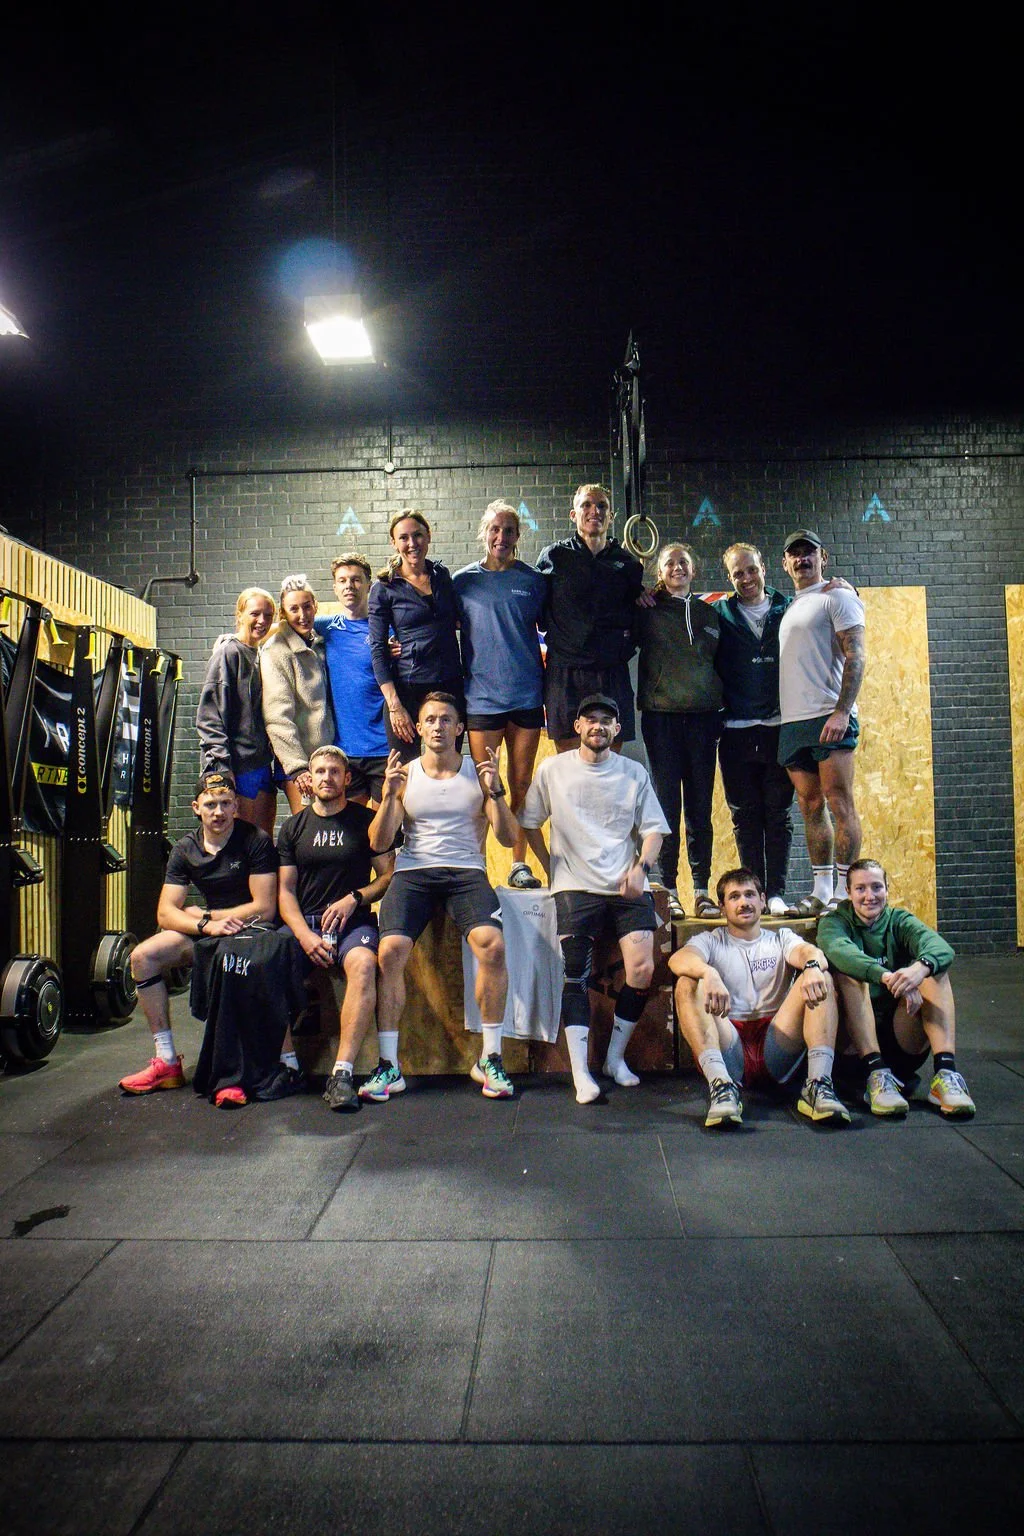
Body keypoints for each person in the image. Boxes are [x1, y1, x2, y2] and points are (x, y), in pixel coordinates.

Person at [365, 692, 519, 1101]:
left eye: (446, 719)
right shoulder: (407, 775)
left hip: (467, 872)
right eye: (430, 719)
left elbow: (507, 838)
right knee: (390, 951)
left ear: (459, 728)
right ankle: (388, 1065)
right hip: (414, 872)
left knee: (493, 946)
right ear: (418, 728)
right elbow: (379, 842)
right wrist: (388, 796)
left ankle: (490, 1058)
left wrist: (497, 792)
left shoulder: (477, 772)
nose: (437, 726)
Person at [519, 693, 669, 1103]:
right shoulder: (552, 770)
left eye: (607, 720)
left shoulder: (633, 772)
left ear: (617, 729)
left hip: (624, 884)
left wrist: (641, 868)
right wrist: (549, 864)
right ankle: (581, 1073)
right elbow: (529, 822)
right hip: (573, 887)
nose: (598, 726)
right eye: (591, 719)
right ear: (578, 727)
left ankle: (614, 1061)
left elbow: (654, 830)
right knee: (575, 975)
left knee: (641, 969)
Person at [119, 770, 280, 1102]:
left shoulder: (256, 841)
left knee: (229, 961)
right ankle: (166, 1061)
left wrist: (206, 917)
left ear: (236, 806)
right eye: (210, 804)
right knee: (142, 957)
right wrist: (205, 926)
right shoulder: (185, 848)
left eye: (225, 804)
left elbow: (264, 908)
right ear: (196, 807)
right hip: (210, 932)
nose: (218, 812)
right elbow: (166, 913)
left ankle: (236, 1069)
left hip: (249, 932)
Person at [669, 866, 851, 1129]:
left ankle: (818, 1085)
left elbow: (811, 953)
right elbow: (678, 960)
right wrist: (707, 972)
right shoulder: (710, 940)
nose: (744, 902)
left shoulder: (780, 938)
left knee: (819, 976)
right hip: (729, 1044)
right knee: (687, 983)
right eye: (734, 897)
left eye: (750, 894)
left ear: (762, 900)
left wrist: (811, 966)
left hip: (776, 1042)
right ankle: (721, 1087)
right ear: (722, 907)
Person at [276, 745, 395, 1112]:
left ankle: (342, 1073)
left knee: (362, 965)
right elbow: (285, 891)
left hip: (352, 922)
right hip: (306, 923)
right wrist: (304, 935)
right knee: (268, 961)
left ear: (346, 778)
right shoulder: (293, 827)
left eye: (334, 771)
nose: (327, 778)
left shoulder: (364, 822)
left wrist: (355, 897)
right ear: (309, 780)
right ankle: (288, 1063)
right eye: (320, 771)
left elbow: (388, 876)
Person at [818, 858, 976, 1118]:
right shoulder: (835, 922)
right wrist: (888, 977)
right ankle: (876, 1074)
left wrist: (919, 969)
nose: (870, 896)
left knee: (933, 973)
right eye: (861, 889)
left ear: (887, 890)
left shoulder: (899, 920)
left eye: (877, 887)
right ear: (848, 893)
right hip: (853, 1048)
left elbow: (941, 948)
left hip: (899, 1038)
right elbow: (839, 952)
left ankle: (946, 1074)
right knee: (849, 975)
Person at [453, 499, 547, 889]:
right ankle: (475, 864)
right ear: (483, 533)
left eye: (509, 530)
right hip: (481, 701)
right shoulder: (462, 582)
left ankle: (518, 864)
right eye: (495, 529)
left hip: (526, 697)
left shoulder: (533, 581)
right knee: (486, 787)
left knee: (520, 785)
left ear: (518, 536)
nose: (501, 537)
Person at [778, 529, 865, 915]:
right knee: (810, 805)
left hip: (830, 715)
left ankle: (845, 895)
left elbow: (856, 656)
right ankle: (821, 890)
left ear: (822, 558)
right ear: (785, 564)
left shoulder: (839, 596)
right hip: (794, 721)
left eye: (808, 552)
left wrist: (843, 711)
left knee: (839, 802)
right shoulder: (790, 606)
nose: (802, 559)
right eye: (794, 554)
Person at [637, 543, 723, 921]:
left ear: (694, 570)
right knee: (667, 807)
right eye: (670, 562)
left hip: (704, 720)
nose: (677, 568)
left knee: (701, 808)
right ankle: (668, 888)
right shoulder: (647, 611)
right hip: (662, 718)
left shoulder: (710, 613)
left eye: (683, 562)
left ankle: (702, 889)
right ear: (660, 571)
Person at [712, 544, 796, 917]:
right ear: (729, 578)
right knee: (745, 816)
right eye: (737, 574)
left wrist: (840, 588)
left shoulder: (789, 607)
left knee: (778, 814)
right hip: (735, 730)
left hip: (779, 727)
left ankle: (776, 892)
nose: (746, 579)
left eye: (751, 570)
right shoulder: (720, 613)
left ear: (764, 567)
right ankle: (755, 894)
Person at [536, 484, 645, 752]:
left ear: (612, 516)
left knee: (609, 766)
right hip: (566, 674)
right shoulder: (554, 556)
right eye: (586, 505)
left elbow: (637, 613)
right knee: (570, 768)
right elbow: (537, 610)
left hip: (611, 673)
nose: (594, 511)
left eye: (602, 506)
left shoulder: (628, 564)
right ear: (573, 514)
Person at [368, 510, 463, 763]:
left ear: (428, 536)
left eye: (418, 535)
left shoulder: (441, 575)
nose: (412, 544)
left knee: (447, 766)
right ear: (394, 542)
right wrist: (394, 705)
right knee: (404, 772)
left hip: (450, 686)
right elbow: (376, 650)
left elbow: (455, 618)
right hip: (408, 691)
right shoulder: (384, 587)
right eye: (404, 537)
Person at [195, 587, 278, 835]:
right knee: (240, 848)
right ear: (239, 614)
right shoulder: (228, 653)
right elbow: (210, 719)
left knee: (261, 844)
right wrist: (222, 768)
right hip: (237, 767)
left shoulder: (259, 654)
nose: (262, 621)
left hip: (261, 764)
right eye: (255, 613)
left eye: (268, 614)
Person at [314, 553, 389, 805]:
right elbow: (286, 623)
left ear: (369, 584)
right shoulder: (328, 626)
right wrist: (234, 637)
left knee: (383, 838)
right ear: (335, 588)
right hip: (345, 751)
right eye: (343, 580)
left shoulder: (386, 628)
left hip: (383, 748)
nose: (349, 586)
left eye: (356, 580)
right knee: (353, 834)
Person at [260, 574, 335, 813]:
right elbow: (276, 717)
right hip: (299, 762)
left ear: (315, 606)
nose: (302, 615)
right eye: (294, 609)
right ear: (283, 613)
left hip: (326, 757)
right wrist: (297, 767)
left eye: (307, 606)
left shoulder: (319, 643)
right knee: (308, 831)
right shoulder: (276, 652)